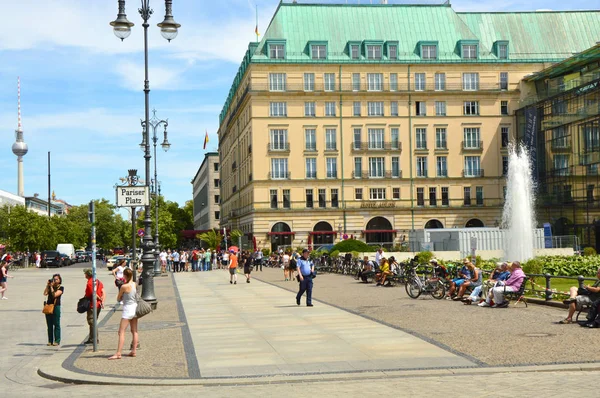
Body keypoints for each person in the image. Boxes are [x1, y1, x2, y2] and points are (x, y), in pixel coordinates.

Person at [108, 268, 138, 360]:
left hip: (127, 310)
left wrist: (122, 297)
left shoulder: (124, 286)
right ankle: (134, 351)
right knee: (134, 331)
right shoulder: (134, 284)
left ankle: (118, 353)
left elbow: (118, 298)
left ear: (125, 276)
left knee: (121, 332)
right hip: (135, 308)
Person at [83, 269, 105, 344]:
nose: (84, 275)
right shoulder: (97, 281)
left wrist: (99, 298)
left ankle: (94, 339)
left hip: (92, 305)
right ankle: (91, 338)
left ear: (88, 275)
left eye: (85, 273)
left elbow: (94, 293)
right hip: (98, 304)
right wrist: (102, 301)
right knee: (93, 321)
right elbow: (103, 291)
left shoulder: (90, 283)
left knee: (91, 321)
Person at [44, 274, 64, 346]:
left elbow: (54, 295)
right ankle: (50, 340)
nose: (55, 280)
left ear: (59, 280)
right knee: (49, 324)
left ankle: (57, 340)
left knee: (56, 323)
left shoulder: (61, 288)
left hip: (56, 307)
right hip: (49, 306)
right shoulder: (50, 287)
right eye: (54, 279)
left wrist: (52, 287)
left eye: (56, 279)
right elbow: (45, 293)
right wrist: (48, 286)